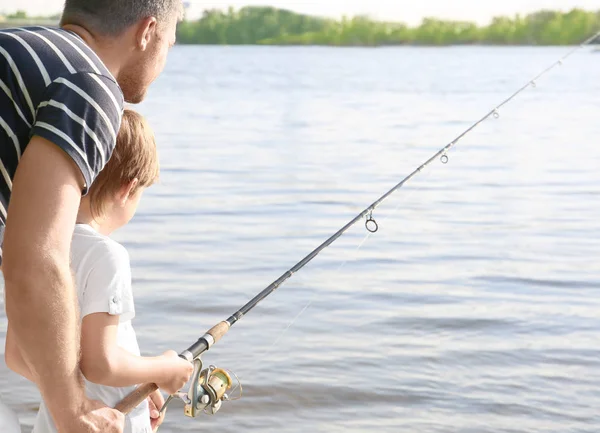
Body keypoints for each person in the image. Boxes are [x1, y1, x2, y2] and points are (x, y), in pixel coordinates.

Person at [0, 1, 185, 432]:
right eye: (169, 44)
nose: (163, 62)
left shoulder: (18, 49)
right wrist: (74, 411)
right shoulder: (89, 83)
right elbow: (34, 256)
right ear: (147, 32)